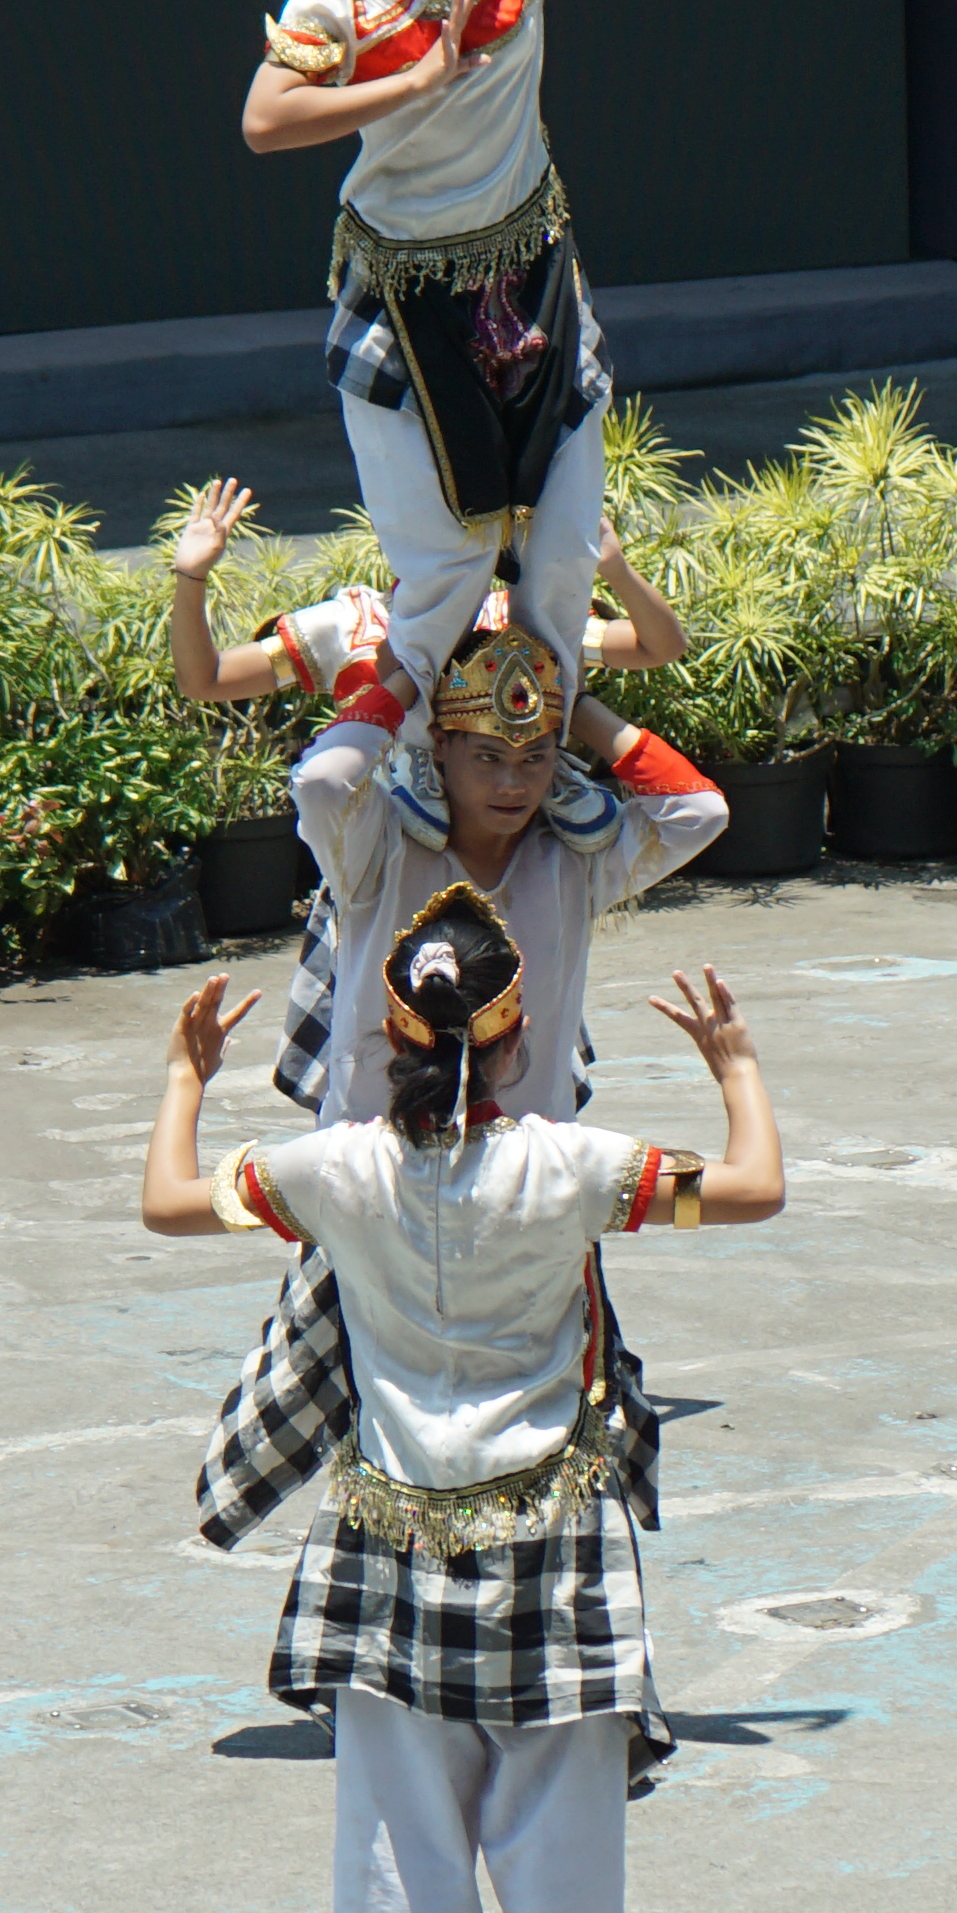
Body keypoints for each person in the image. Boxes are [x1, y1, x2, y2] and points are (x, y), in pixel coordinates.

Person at [140, 892, 789, 1913]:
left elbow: (170, 1199)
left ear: (387, 1044)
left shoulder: (336, 1173)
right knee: (563, 1809)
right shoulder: (573, 1166)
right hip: (552, 1529)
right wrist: (737, 1063)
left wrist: (186, 1074)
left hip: (389, 1531)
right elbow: (754, 1186)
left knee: (399, 1814)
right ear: (513, 1036)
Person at [240, 0, 770, 729]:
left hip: (530, 275)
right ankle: (375, 786)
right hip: (400, 294)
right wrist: (407, 84)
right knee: (441, 576)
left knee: (565, 556)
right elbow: (264, 121)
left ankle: (541, 784)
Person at [189, 616, 730, 1557]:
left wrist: (582, 704)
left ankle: (517, 1625)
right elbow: (321, 780)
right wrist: (399, 678)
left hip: (527, 1191)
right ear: (437, 750)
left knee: (541, 1421)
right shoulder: (379, 856)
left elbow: (700, 812)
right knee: (372, 1416)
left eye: (534, 756)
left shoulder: (575, 864)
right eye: (486, 755)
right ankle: (376, 1644)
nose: (514, 782)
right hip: (378, 1187)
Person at [158, 472, 685, 1111]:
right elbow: (205, 678)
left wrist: (617, 571)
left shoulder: (514, 619)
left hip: (511, 855)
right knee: (377, 1053)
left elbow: (661, 647)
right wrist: (191, 577)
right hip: (382, 860)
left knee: (520, 1050)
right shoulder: (351, 623)